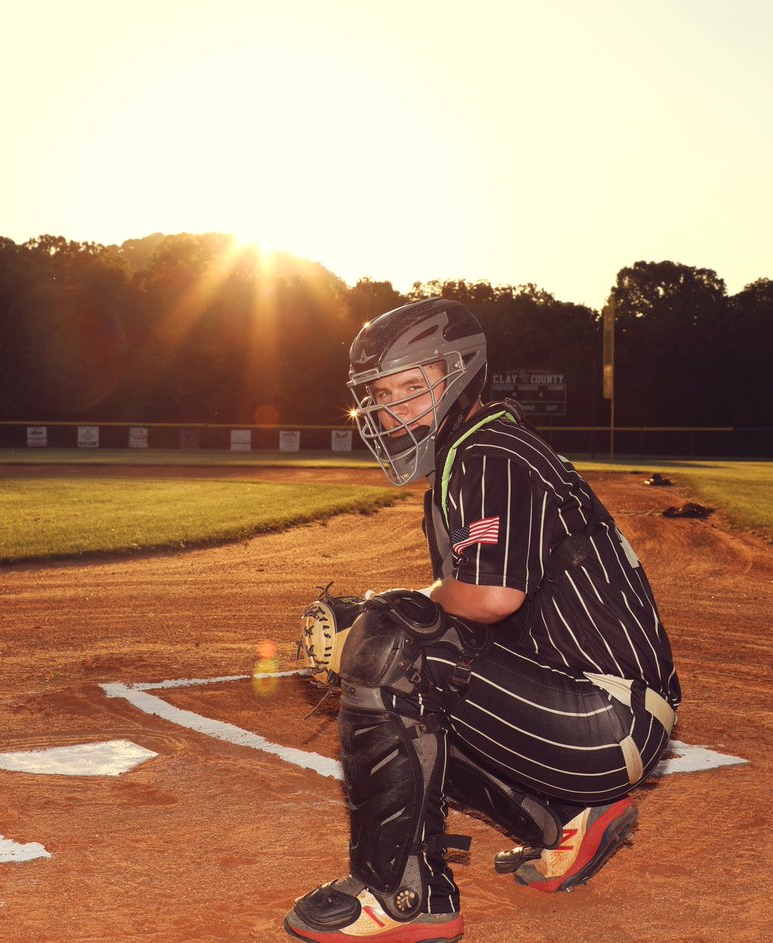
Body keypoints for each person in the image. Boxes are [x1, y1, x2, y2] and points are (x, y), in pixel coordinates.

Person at [285, 298, 681, 943]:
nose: (393, 410)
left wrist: (377, 618)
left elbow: (492, 598)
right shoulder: (471, 455)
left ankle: (405, 896)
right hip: (587, 710)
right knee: (409, 671)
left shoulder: (490, 452)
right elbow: (473, 613)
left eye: (414, 387)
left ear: (462, 375)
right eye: (382, 396)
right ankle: (567, 818)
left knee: (393, 647)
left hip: (605, 716)